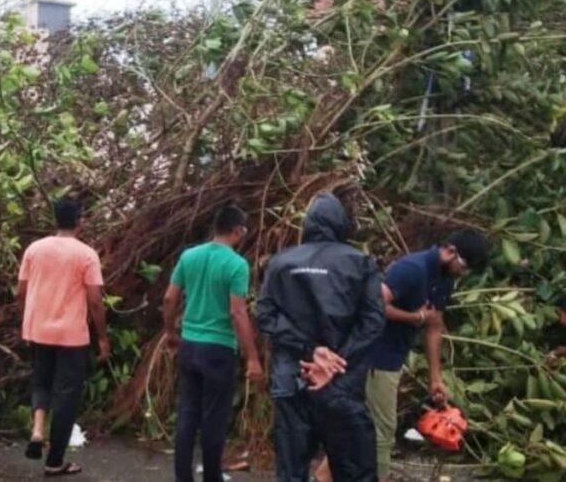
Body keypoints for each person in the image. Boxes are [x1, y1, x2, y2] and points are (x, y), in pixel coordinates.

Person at [315, 228, 491, 482]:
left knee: (358, 426)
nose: (463, 273)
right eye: (464, 267)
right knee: (382, 430)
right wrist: (414, 317)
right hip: (376, 356)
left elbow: (434, 325)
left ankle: (322, 477)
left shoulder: (445, 279)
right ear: (451, 251)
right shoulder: (412, 268)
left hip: (393, 358)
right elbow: (374, 304)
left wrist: (435, 378)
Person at [255, 193, 386, 482]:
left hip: (291, 381)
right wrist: (335, 364)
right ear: (342, 224)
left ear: (309, 224)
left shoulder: (280, 262)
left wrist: (311, 351)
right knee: (355, 472)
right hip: (342, 385)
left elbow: (264, 315)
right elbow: (373, 322)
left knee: (291, 473)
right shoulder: (359, 262)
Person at [163, 206, 264, 482]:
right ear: (238, 231)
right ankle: (211, 476)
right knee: (214, 419)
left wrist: (171, 332)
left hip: (189, 345)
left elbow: (170, 299)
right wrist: (252, 356)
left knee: (187, 413)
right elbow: (237, 312)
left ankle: (182, 477)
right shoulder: (236, 265)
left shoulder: (189, 256)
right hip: (218, 350)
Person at [17, 197, 110, 477]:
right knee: (67, 396)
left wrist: (27, 319)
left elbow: (21, 290)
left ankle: (36, 429)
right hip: (71, 335)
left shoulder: (35, 249)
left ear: (54, 219)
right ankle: (55, 461)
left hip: (38, 330)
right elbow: (95, 301)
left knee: (41, 381)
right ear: (80, 221)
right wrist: (103, 337)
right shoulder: (86, 254)